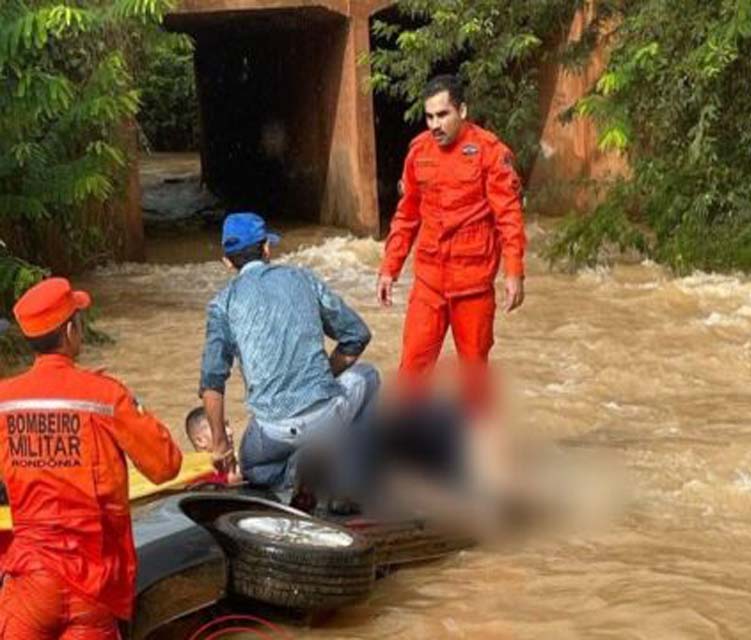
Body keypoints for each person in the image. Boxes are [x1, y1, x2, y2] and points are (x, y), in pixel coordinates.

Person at [0, 277, 183, 638]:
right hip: (95, 583)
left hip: (30, 581)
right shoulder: (105, 396)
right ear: (70, 331)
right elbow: (166, 466)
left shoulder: (6, 401)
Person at [199, 212, 380, 498]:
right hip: (325, 414)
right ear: (267, 249)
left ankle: (294, 470)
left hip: (273, 431)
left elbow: (212, 382)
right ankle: (351, 479)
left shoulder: (222, 304)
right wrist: (324, 374)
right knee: (369, 375)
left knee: (255, 468)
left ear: (227, 261)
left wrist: (221, 444)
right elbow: (356, 335)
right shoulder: (303, 278)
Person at [377, 74, 527, 410]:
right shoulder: (419, 151)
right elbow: (407, 214)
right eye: (429, 116)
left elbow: (509, 216)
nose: (435, 124)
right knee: (411, 374)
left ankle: (478, 452)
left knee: (474, 380)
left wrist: (514, 271)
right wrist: (390, 268)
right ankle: (408, 450)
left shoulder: (490, 151)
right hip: (429, 282)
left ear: (462, 110)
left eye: (442, 115)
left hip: (473, 284)